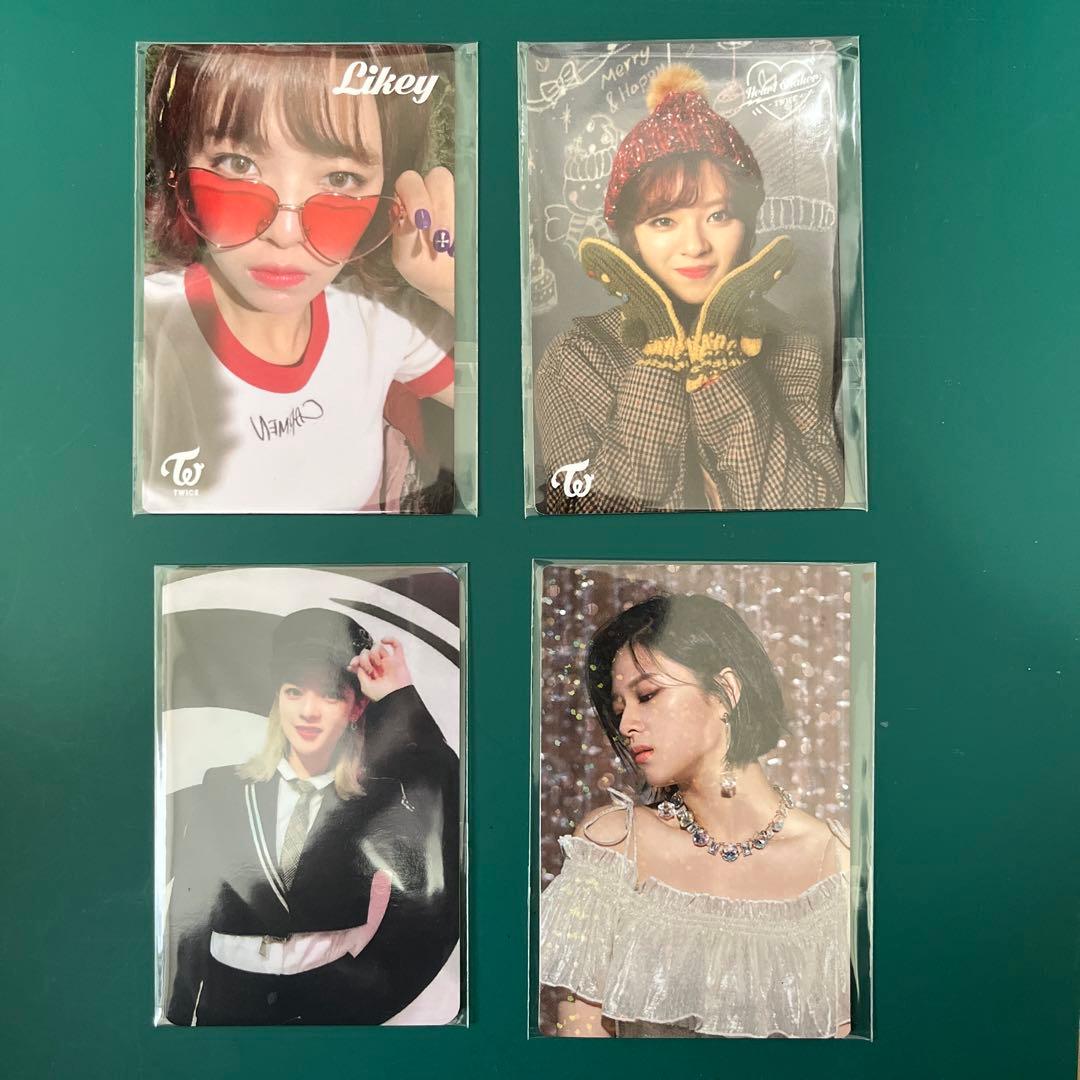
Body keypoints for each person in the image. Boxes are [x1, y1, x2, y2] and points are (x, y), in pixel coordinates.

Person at [140, 44, 457, 513]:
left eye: (341, 178)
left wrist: (451, 287)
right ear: (179, 165)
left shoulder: (382, 322)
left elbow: (532, 422)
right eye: (238, 165)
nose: (285, 233)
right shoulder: (140, 329)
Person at [535, 65, 844, 513]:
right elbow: (580, 517)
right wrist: (659, 359)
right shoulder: (578, 357)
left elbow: (811, 512)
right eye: (664, 221)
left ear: (748, 226)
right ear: (632, 238)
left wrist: (722, 366)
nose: (696, 245)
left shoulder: (794, 349)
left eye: (719, 216)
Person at [539, 594, 851, 1038]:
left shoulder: (834, 865)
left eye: (647, 695)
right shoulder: (611, 847)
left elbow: (850, 1056)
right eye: (620, 710)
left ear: (726, 691)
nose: (626, 726)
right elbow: (578, 1039)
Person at [163, 608, 459, 1025]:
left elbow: (443, 781)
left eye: (330, 696)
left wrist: (399, 695)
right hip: (230, 1003)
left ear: (355, 709)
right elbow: (191, 906)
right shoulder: (224, 787)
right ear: (278, 700)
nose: (308, 711)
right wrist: (177, 1016)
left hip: (333, 1006)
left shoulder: (376, 799)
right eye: (293, 692)